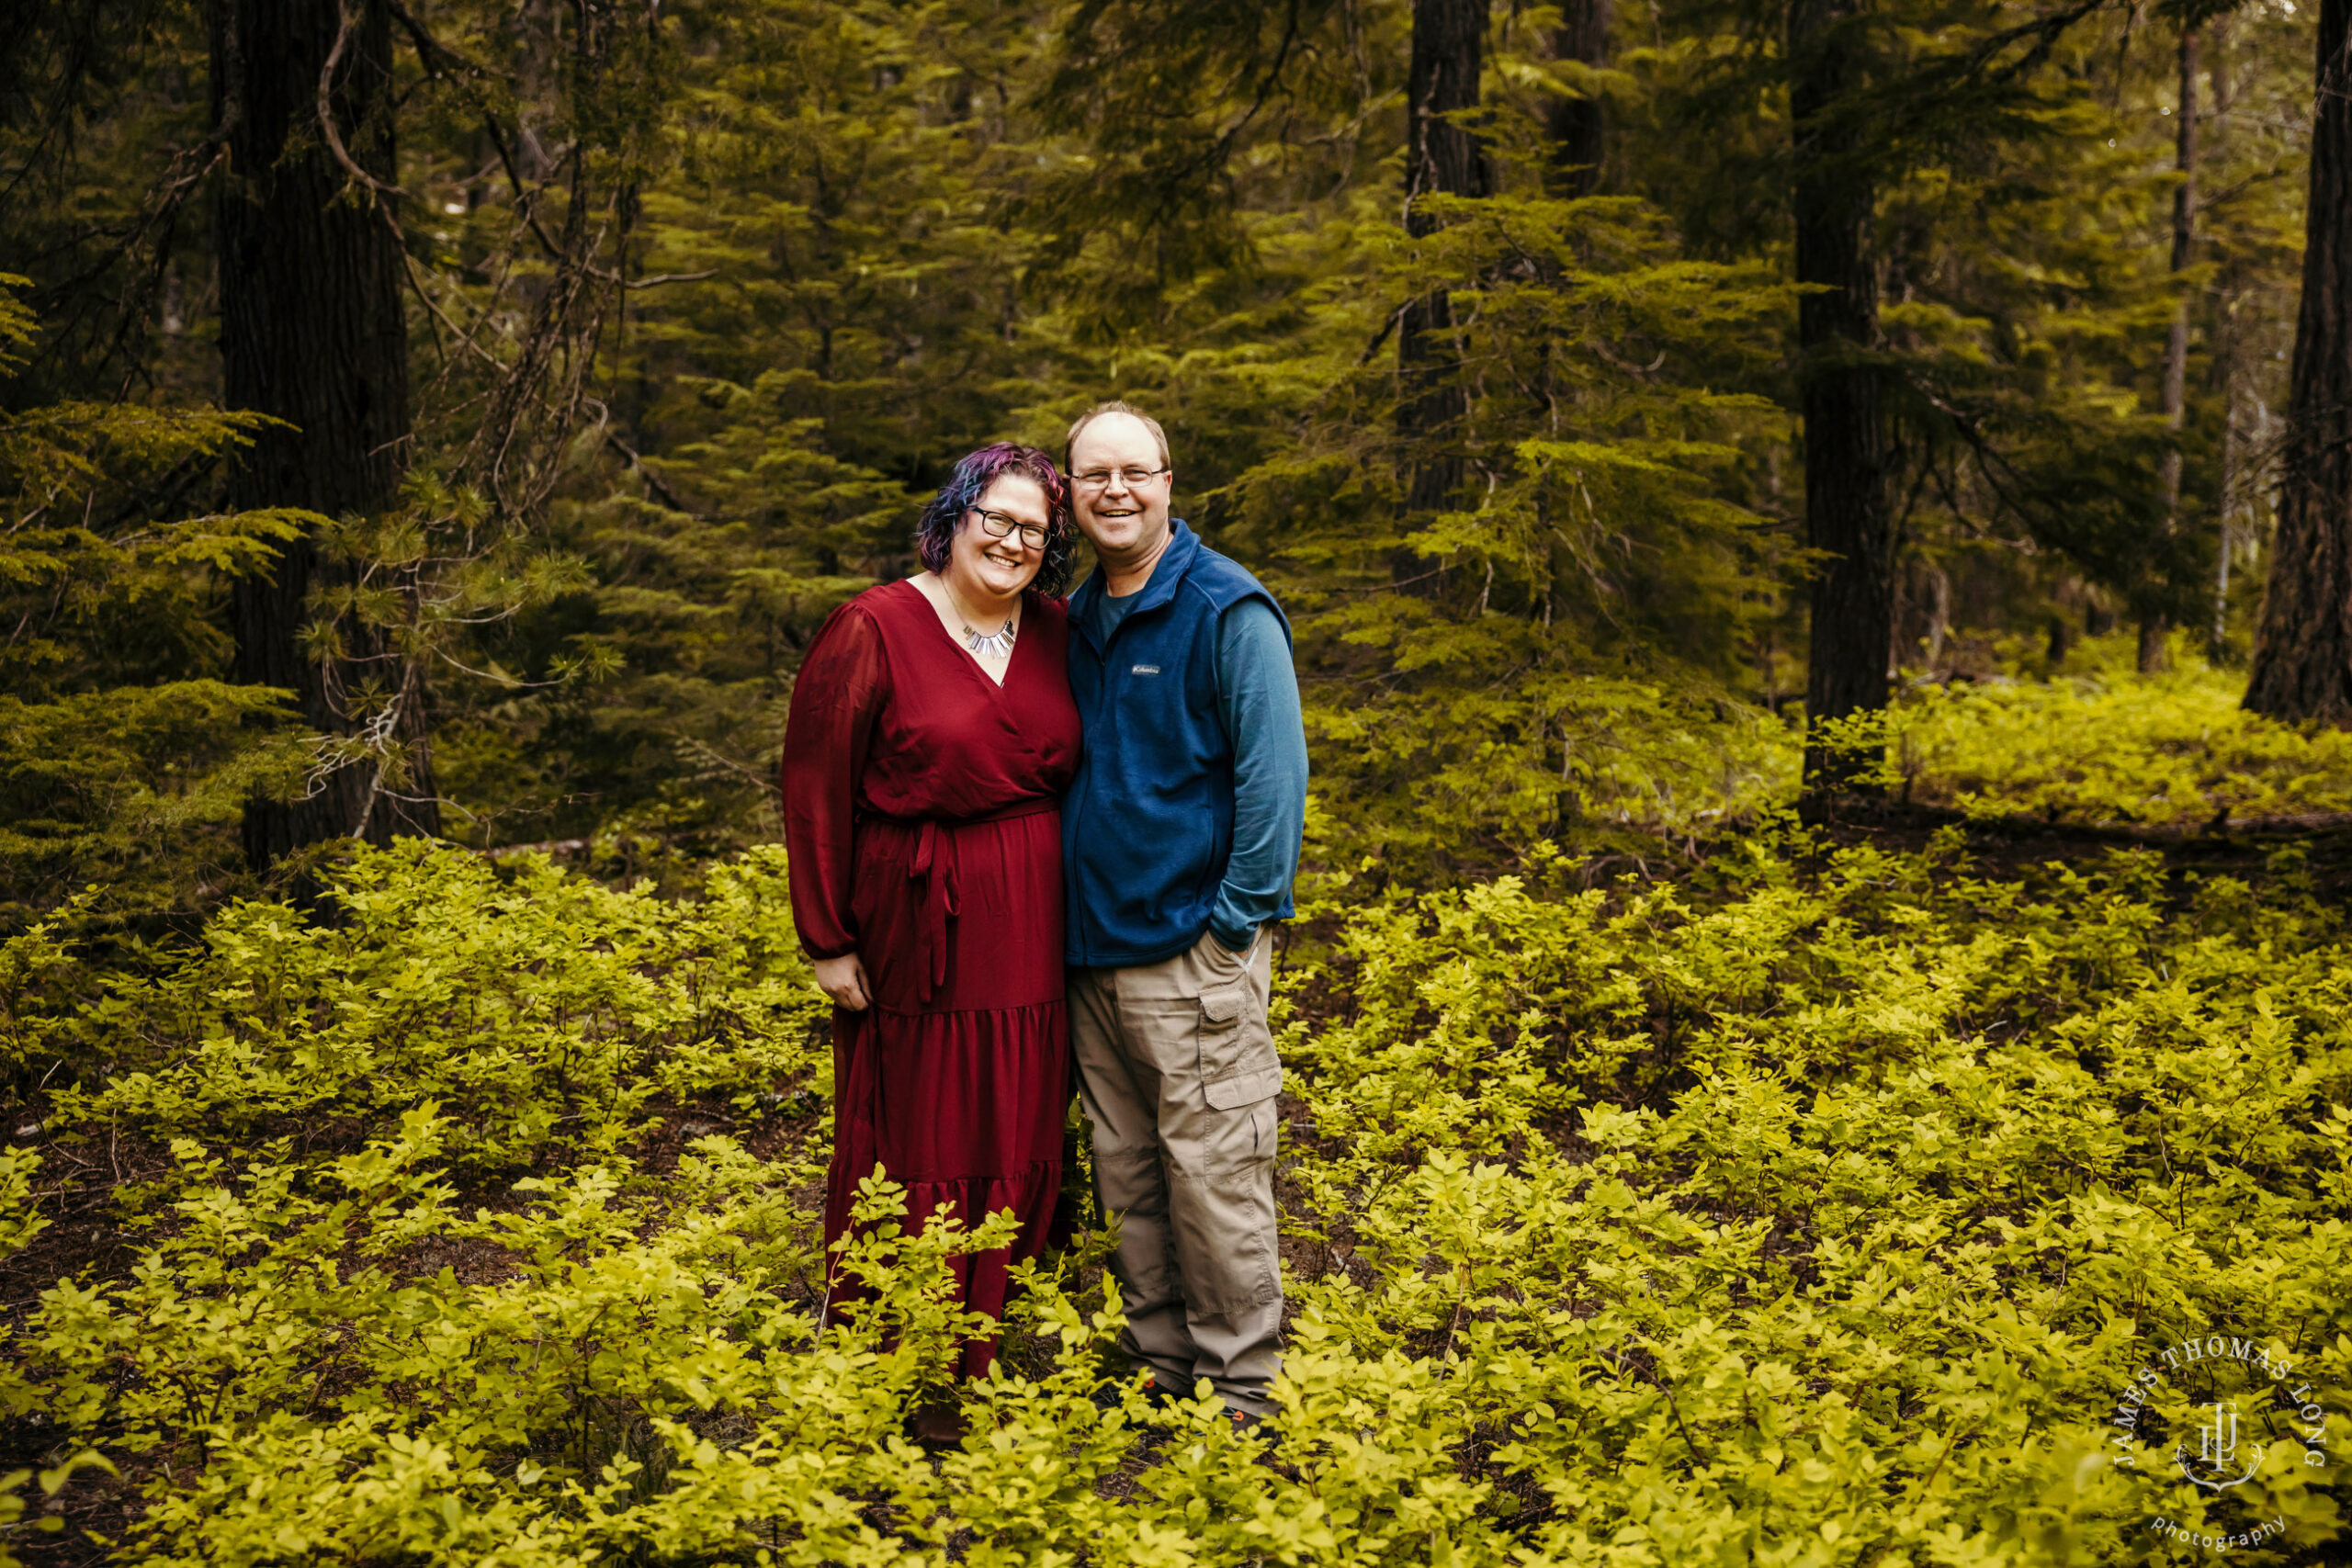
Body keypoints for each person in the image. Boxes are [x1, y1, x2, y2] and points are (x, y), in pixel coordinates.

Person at [777, 443, 1081, 1445]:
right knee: (923, 1122)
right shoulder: (873, 626)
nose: (1013, 540)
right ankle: (896, 1349)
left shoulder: (1055, 631)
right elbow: (815, 786)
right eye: (996, 517)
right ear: (952, 518)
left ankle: (989, 1340)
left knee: (1016, 1119)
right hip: (917, 923)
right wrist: (825, 938)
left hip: (1032, 924)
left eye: (1035, 529)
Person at [1059, 401, 1309, 1431]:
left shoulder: (1225, 609)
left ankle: (1246, 1387)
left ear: (1169, 481)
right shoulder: (1076, 615)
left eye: (1134, 472)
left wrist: (1233, 926)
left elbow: (1273, 780)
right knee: (1129, 1173)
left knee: (1214, 1176)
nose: (1114, 491)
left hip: (1190, 957)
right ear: (1071, 494)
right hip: (1091, 958)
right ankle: (1160, 1363)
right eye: (1093, 476)